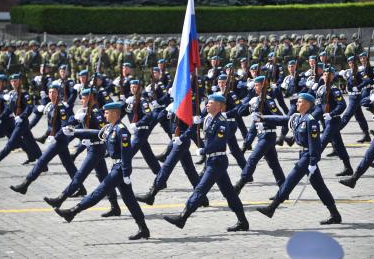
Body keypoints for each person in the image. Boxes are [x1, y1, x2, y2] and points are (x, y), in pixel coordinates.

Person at [54, 102, 150, 240]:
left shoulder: (121, 130)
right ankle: (144, 229)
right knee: (129, 200)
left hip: (120, 169)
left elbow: (126, 154)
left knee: (99, 192)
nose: (104, 114)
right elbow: (95, 133)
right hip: (117, 168)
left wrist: (126, 172)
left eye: (106, 112)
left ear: (115, 113)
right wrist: (75, 132)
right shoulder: (111, 127)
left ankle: (72, 212)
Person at [163, 93, 249, 232]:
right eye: (207, 102)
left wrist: (204, 150)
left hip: (217, 161)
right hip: (213, 161)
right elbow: (192, 130)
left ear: (219, 106)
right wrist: (182, 138)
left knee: (200, 189)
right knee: (230, 193)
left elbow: (218, 142)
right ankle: (243, 221)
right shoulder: (208, 118)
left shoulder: (222, 122)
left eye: (211, 103)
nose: (207, 104)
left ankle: (182, 217)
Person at [256, 93, 342, 225]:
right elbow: (282, 119)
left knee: (290, 180)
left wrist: (313, 161)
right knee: (320, 187)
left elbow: (315, 144)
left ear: (307, 104)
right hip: (302, 154)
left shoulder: (311, 121)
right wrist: (263, 118)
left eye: (300, 102)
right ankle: (335, 214)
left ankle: (272, 208)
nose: (297, 103)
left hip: (308, 156)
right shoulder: (297, 118)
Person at [43, 88, 120, 218]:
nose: (81, 100)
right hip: (92, 149)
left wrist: (81, 134)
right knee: (104, 179)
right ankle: (115, 207)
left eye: (84, 98)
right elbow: (70, 122)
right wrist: (74, 120)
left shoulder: (96, 112)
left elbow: (103, 132)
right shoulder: (85, 111)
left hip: (96, 149)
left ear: (91, 98)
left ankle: (60, 199)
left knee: (79, 176)